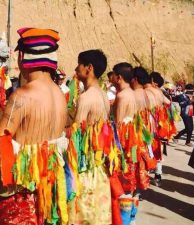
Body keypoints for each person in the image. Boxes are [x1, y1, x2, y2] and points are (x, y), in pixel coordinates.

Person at [0, 28, 68, 224]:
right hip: (47, 196)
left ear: (23, 56)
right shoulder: (59, 94)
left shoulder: (22, 96)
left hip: (20, 201)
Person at [67, 49, 111, 224]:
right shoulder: (104, 95)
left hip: (85, 169)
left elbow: (75, 137)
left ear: (89, 68)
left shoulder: (86, 98)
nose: (76, 69)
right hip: (99, 168)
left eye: (79, 64)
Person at [110, 62, 139, 225]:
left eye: (113, 75)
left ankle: (124, 220)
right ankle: (131, 219)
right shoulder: (132, 93)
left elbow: (118, 127)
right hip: (132, 145)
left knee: (121, 186)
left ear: (118, 77)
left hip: (123, 146)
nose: (112, 78)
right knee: (129, 186)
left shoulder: (122, 96)